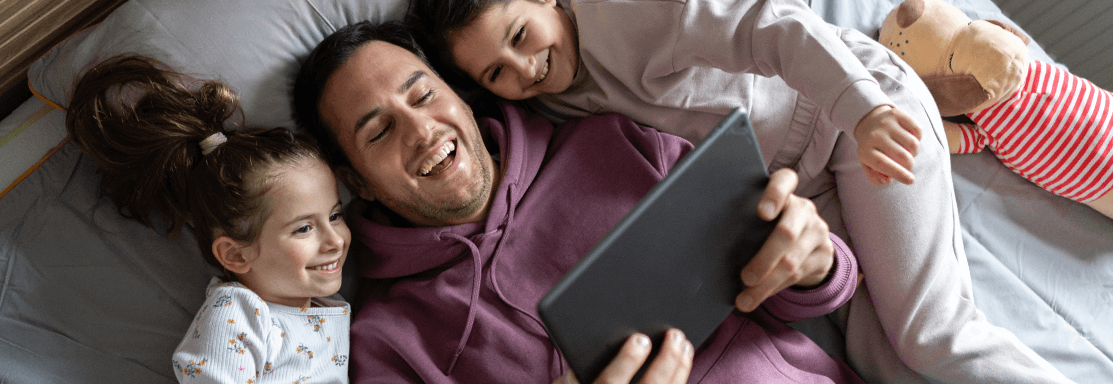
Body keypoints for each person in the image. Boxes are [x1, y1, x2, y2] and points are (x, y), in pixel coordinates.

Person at [406, 0, 1074, 382]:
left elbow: (775, 30)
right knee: (883, 360)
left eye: (521, 36)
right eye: (498, 71)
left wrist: (866, 112)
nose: (528, 68)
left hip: (858, 123)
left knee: (932, 334)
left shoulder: (633, 12)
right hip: (797, 195)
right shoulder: (550, 107)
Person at [291, 21, 863, 383]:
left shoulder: (614, 145)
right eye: (379, 132)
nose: (421, 131)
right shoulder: (385, 341)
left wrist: (818, 263)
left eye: (423, 96)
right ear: (355, 180)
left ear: (457, 96)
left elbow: (807, 286)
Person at [66, 55, 352, 384]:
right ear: (236, 254)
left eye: (335, 215)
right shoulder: (238, 314)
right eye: (304, 228)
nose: (335, 240)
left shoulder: (326, 304)